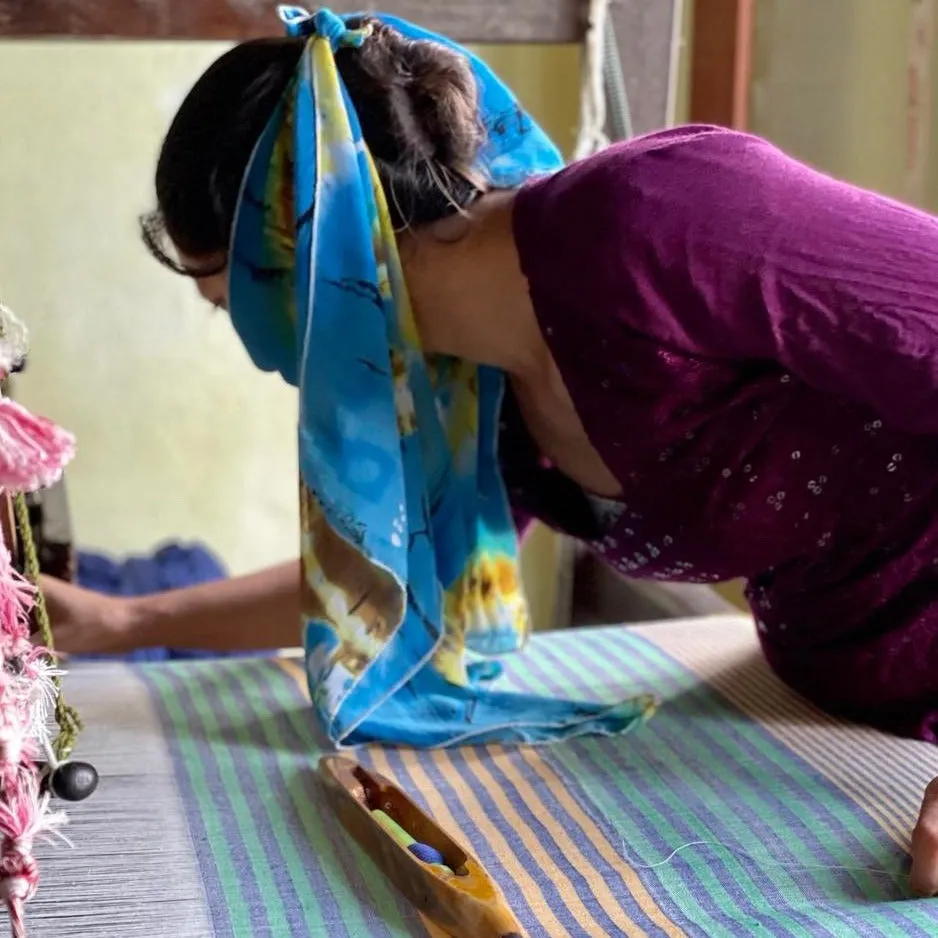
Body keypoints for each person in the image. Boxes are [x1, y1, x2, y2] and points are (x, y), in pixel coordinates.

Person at [37, 15, 938, 893]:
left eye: (226, 299)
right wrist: (123, 624)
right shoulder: (470, 387)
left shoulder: (658, 220)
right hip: (822, 718)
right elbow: (382, 595)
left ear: (302, 248)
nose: (244, 342)